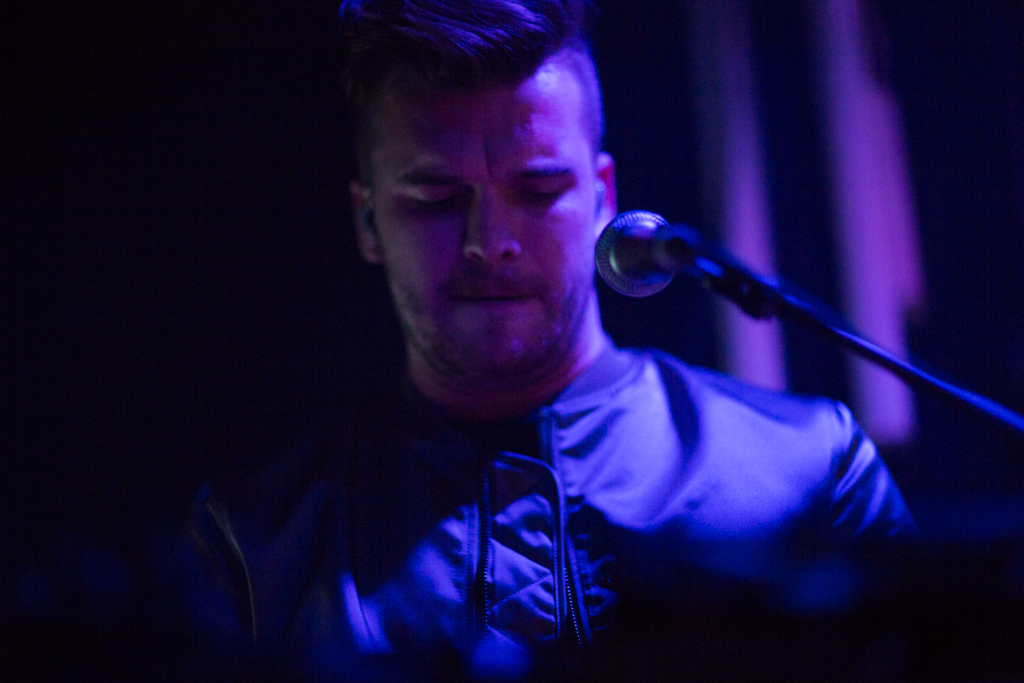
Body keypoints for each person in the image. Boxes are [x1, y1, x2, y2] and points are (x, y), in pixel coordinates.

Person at [170, 0, 916, 678]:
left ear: (604, 199)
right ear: (368, 222)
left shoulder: (811, 471)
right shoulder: (254, 540)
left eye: (536, 191)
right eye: (437, 197)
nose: (488, 242)